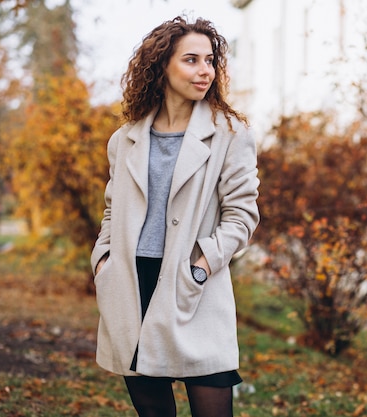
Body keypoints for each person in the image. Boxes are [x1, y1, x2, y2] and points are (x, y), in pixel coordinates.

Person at [90, 16, 260, 417]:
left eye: (210, 60)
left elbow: (241, 215)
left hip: (194, 286)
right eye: (191, 60)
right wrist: (103, 262)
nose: (205, 70)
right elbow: (113, 209)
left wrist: (202, 266)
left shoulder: (231, 134)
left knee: (213, 399)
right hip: (132, 285)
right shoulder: (125, 139)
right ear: (161, 66)